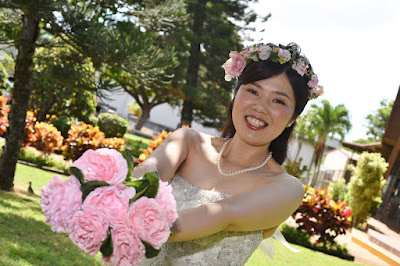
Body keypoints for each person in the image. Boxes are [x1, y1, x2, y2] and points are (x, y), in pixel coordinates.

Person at [134, 42, 323, 265]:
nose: (260, 107)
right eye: (253, 91)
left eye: (278, 101)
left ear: (292, 119)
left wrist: (130, 222)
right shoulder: (186, 142)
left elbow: (224, 215)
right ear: (235, 95)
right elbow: (144, 179)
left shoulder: (286, 188)